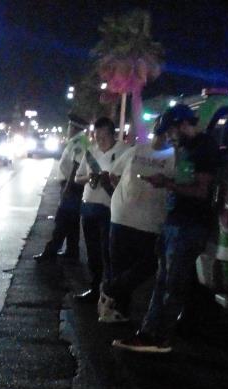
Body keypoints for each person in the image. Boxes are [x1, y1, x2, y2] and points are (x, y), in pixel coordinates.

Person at [113, 104, 219, 353]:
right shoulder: (184, 148)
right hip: (175, 221)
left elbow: (201, 191)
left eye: (171, 131)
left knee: (173, 284)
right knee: (162, 281)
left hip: (189, 225)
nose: (169, 136)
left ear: (183, 124)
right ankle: (148, 334)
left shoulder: (204, 148)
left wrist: (166, 184)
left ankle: (160, 338)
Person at [98, 117, 175, 322]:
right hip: (145, 220)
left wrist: (123, 195)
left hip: (125, 215)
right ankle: (115, 304)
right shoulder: (173, 157)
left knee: (125, 267)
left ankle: (114, 303)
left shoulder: (137, 150)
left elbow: (112, 175)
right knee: (146, 264)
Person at [73, 117, 130, 303]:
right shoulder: (91, 152)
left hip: (110, 209)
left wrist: (111, 180)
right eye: (97, 137)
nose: (99, 141)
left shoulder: (124, 151)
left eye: (103, 137)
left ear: (112, 134)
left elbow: (129, 181)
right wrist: (89, 178)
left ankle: (109, 294)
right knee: (92, 251)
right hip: (89, 206)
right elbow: (77, 178)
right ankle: (94, 288)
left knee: (108, 252)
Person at [34, 113, 90, 262]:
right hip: (71, 186)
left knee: (62, 220)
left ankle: (51, 251)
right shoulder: (76, 141)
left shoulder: (79, 143)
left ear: (74, 128)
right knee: (71, 221)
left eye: (70, 126)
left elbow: (76, 165)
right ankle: (72, 251)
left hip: (72, 187)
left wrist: (68, 188)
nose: (68, 128)